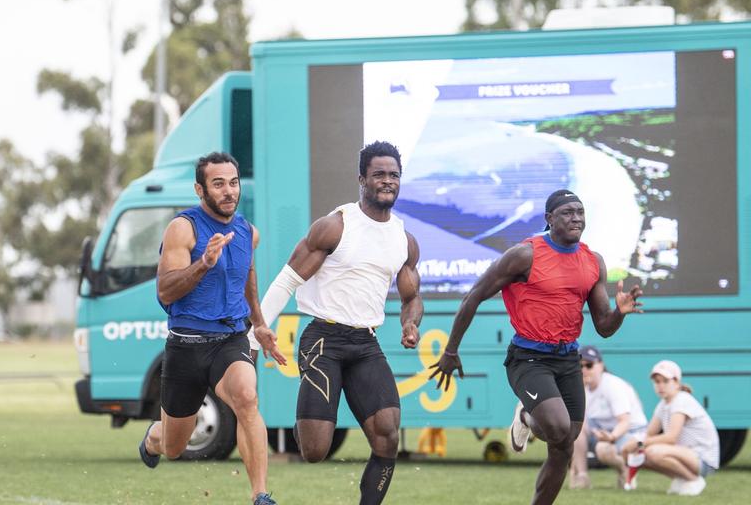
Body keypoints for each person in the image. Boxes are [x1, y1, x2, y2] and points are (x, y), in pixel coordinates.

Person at [429, 189, 644, 505]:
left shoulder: (592, 261)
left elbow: (604, 328)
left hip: (568, 358)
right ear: (549, 219)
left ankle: (528, 425)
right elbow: (472, 296)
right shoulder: (525, 255)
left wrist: (619, 313)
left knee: (565, 443)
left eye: (580, 212)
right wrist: (451, 350)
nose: (576, 218)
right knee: (557, 427)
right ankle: (530, 416)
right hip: (528, 359)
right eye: (567, 212)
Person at [250, 140, 423, 505]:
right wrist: (256, 334)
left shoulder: (404, 241)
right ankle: (309, 419)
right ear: (362, 179)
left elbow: (411, 298)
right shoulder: (336, 227)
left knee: (388, 433)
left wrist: (410, 325)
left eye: (394, 175)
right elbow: (287, 280)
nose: (387, 181)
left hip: (365, 344)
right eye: (379, 174)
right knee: (315, 449)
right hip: (323, 340)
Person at [137, 152, 285, 505]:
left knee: (247, 398)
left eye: (233, 183)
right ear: (200, 189)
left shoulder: (248, 232)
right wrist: (203, 264)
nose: (228, 191)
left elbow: (246, 276)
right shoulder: (183, 228)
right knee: (174, 447)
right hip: (186, 346)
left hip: (230, 340)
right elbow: (166, 290)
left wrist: (260, 324)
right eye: (218, 184)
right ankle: (153, 438)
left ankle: (260, 494)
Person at [620, 360, 720, 496]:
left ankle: (693, 480)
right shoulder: (663, 404)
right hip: (687, 455)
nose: (660, 386)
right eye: (657, 382)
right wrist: (632, 447)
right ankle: (682, 479)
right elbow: (649, 434)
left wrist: (639, 443)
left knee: (652, 452)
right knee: (643, 454)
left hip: (703, 460)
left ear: (676, 383)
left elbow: (671, 438)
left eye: (665, 381)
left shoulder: (681, 400)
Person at [568, 345, 647, 490]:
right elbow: (581, 425)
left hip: (630, 434)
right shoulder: (582, 388)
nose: (584, 369)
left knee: (603, 448)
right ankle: (582, 476)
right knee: (575, 429)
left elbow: (625, 421)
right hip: (603, 433)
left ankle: (625, 471)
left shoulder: (612, 385)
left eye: (589, 365)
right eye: (580, 365)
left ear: (601, 366)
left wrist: (611, 437)